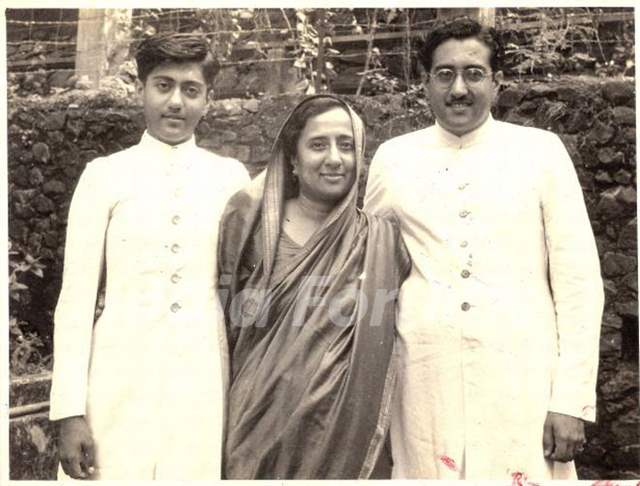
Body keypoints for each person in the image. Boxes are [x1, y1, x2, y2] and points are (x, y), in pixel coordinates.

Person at [364, 18, 604, 480]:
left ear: (497, 82)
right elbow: (370, 274)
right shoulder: (393, 159)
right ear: (425, 83)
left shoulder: (541, 153)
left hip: (521, 380)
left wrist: (571, 400)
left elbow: (579, 283)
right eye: (444, 74)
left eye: (473, 73)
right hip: (424, 382)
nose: (459, 88)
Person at [48, 33, 249, 480]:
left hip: (201, 380)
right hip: (118, 379)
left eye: (191, 89)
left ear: (208, 99)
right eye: (163, 85)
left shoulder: (230, 178)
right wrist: (69, 410)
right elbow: (76, 300)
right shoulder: (104, 176)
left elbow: (246, 289)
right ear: (142, 89)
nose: (175, 101)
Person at [218, 95, 410, 479]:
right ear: (292, 158)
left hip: (343, 435)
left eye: (346, 145)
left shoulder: (381, 241)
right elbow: (225, 325)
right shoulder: (251, 229)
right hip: (254, 427)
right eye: (318, 145)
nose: (335, 158)